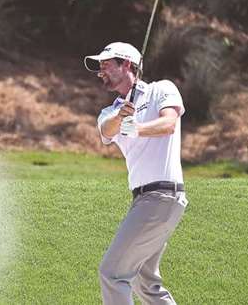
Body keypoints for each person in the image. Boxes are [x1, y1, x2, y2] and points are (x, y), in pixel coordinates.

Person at [83, 42, 189, 305]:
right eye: (99, 68)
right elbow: (107, 131)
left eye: (106, 65)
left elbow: (169, 124)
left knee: (112, 273)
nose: (101, 72)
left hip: (162, 197)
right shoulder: (109, 112)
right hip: (146, 201)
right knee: (145, 281)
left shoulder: (161, 89)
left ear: (127, 65)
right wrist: (121, 116)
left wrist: (137, 127)